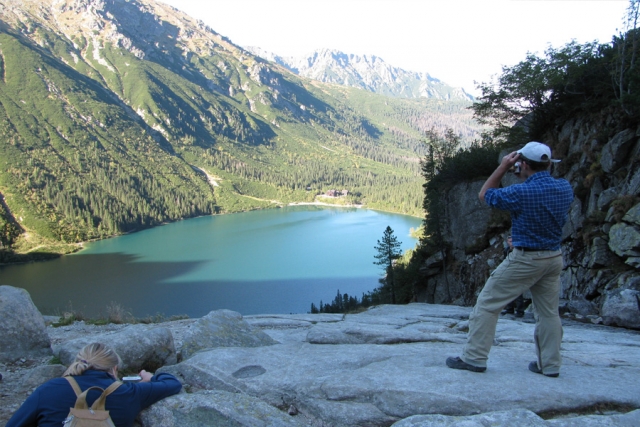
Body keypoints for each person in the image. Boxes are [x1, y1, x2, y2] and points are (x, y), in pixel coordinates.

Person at [446, 141, 573, 377]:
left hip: (527, 259)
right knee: (548, 313)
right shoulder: (565, 188)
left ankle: (474, 358)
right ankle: (550, 365)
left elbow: (485, 194)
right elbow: (553, 219)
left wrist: (503, 167)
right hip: (553, 257)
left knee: (487, 304)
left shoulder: (521, 192)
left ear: (522, 164)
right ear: (547, 164)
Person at [7, 342, 182, 427]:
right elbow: (173, 383)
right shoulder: (130, 392)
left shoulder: (49, 389)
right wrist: (149, 377)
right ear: (114, 369)